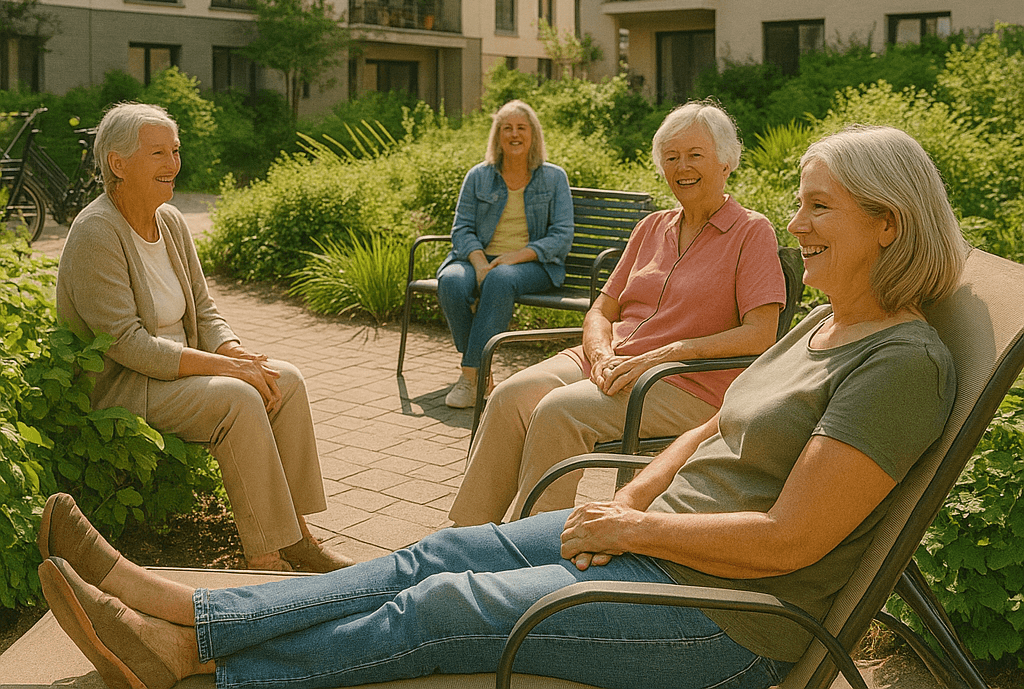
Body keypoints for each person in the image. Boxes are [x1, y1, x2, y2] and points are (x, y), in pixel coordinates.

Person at [37, 124, 968, 689]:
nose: (797, 225)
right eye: (801, 206)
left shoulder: (900, 364)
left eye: (820, 209)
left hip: (724, 620)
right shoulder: (825, 327)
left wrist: (639, 533)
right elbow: (715, 433)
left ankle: (199, 656)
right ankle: (183, 609)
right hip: (660, 548)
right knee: (437, 551)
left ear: (889, 223)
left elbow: (788, 544)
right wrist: (636, 501)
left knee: (442, 607)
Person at [449, 99, 786, 526]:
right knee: (509, 396)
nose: (681, 166)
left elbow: (761, 333)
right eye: (671, 157)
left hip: (684, 381)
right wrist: (601, 351)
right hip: (612, 361)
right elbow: (603, 308)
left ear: (726, 162)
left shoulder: (750, 231)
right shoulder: (651, 227)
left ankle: (529, 546)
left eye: (695, 154)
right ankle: (464, 535)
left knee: (559, 411)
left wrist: (664, 354)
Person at [55, 102, 349, 573]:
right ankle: (265, 555)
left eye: (175, 151)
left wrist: (234, 351)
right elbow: (127, 344)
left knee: (284, 379)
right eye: (158, 153)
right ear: (118, 163)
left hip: (180, 376)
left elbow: (205, 310)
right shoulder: (96, 231)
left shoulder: (169, 221)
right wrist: (227, 368)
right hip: (126, 386)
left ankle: (297, 537)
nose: (173, 164)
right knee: (237, 397)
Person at [436, 99, 573, 408]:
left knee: (500, 279)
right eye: (506, 128)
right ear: (497, 136)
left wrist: (517, 255)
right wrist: (480, 262)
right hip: (478, 260)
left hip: (533, 264)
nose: (514, 134)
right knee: (451, 282)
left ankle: (470, 376)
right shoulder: (479, 176)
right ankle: (483, 374)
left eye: (521, 128)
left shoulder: (554, 178)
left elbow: (561, 236)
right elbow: (461, 229)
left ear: (533, 134)